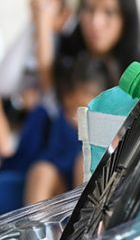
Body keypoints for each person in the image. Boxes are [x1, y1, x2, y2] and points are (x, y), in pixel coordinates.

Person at [18, 54, 117, 207]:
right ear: (66, 96)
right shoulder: (55, 111)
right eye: (75, 107)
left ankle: (88, 224)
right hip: (58, 177)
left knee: (84, 162)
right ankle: (40, 228)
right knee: (41, 171)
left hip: (83, 178)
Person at [0, 0, 77, 116]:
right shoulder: (37, 32)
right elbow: (4, 84)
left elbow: (51, 96)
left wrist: (43, 21)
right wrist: (36, 22)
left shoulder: (70, 40)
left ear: (65, 12)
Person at [56, 0, 140, 85]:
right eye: (89, 9)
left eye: (109, 12)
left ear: (126, 19)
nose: (95, 22)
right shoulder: (62, 58)